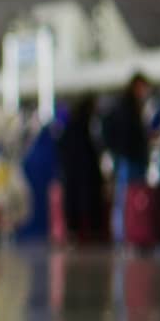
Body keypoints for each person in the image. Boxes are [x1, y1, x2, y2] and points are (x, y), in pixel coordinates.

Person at [101, 72, 153, 244]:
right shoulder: (127, 107)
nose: (144, 91)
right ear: (136, 86)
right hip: (130, 159)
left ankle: (130, 232)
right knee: (128, 198)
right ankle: (127, 234)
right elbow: (128, 134)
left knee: (129, 198)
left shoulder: (128, 105)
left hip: (129, 157)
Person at [58, 96, 107, 243]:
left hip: (72, 173)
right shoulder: (85, 126)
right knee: (87, 201)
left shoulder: (70, 126)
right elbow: (90, 151)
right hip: (84, 173)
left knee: (74, 201)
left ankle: (75, 231)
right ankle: (90, 232)